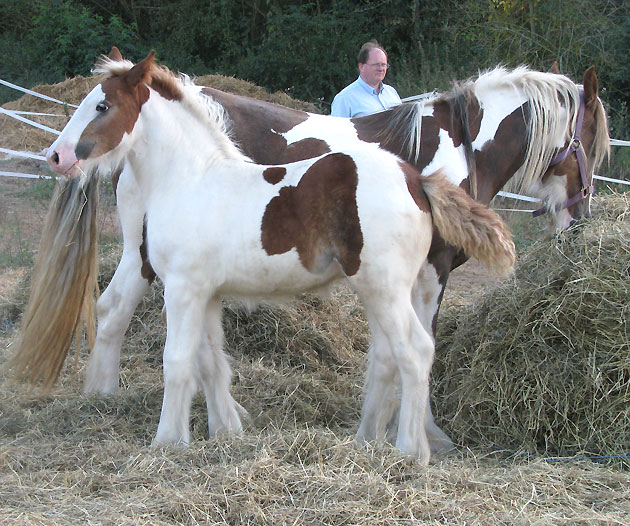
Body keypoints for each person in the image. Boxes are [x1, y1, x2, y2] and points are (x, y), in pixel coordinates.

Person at [331, 40, 401, 118]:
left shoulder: (392, 93)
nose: (381, 69)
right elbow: (336, 130)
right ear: (361, 67)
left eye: (383, 65)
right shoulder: (344, 99)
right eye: (376, 65)